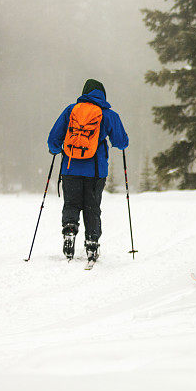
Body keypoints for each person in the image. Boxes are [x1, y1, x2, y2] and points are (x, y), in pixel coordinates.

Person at [47, 79, 129, 262]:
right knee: (92, 207)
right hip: (96, 171)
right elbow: (121, 142)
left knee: (72, 204)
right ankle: (92, 243)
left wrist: (55, 150)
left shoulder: (71, 110)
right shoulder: (108, 115)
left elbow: (54, 138)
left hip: (70, 168)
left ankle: (69, 229)